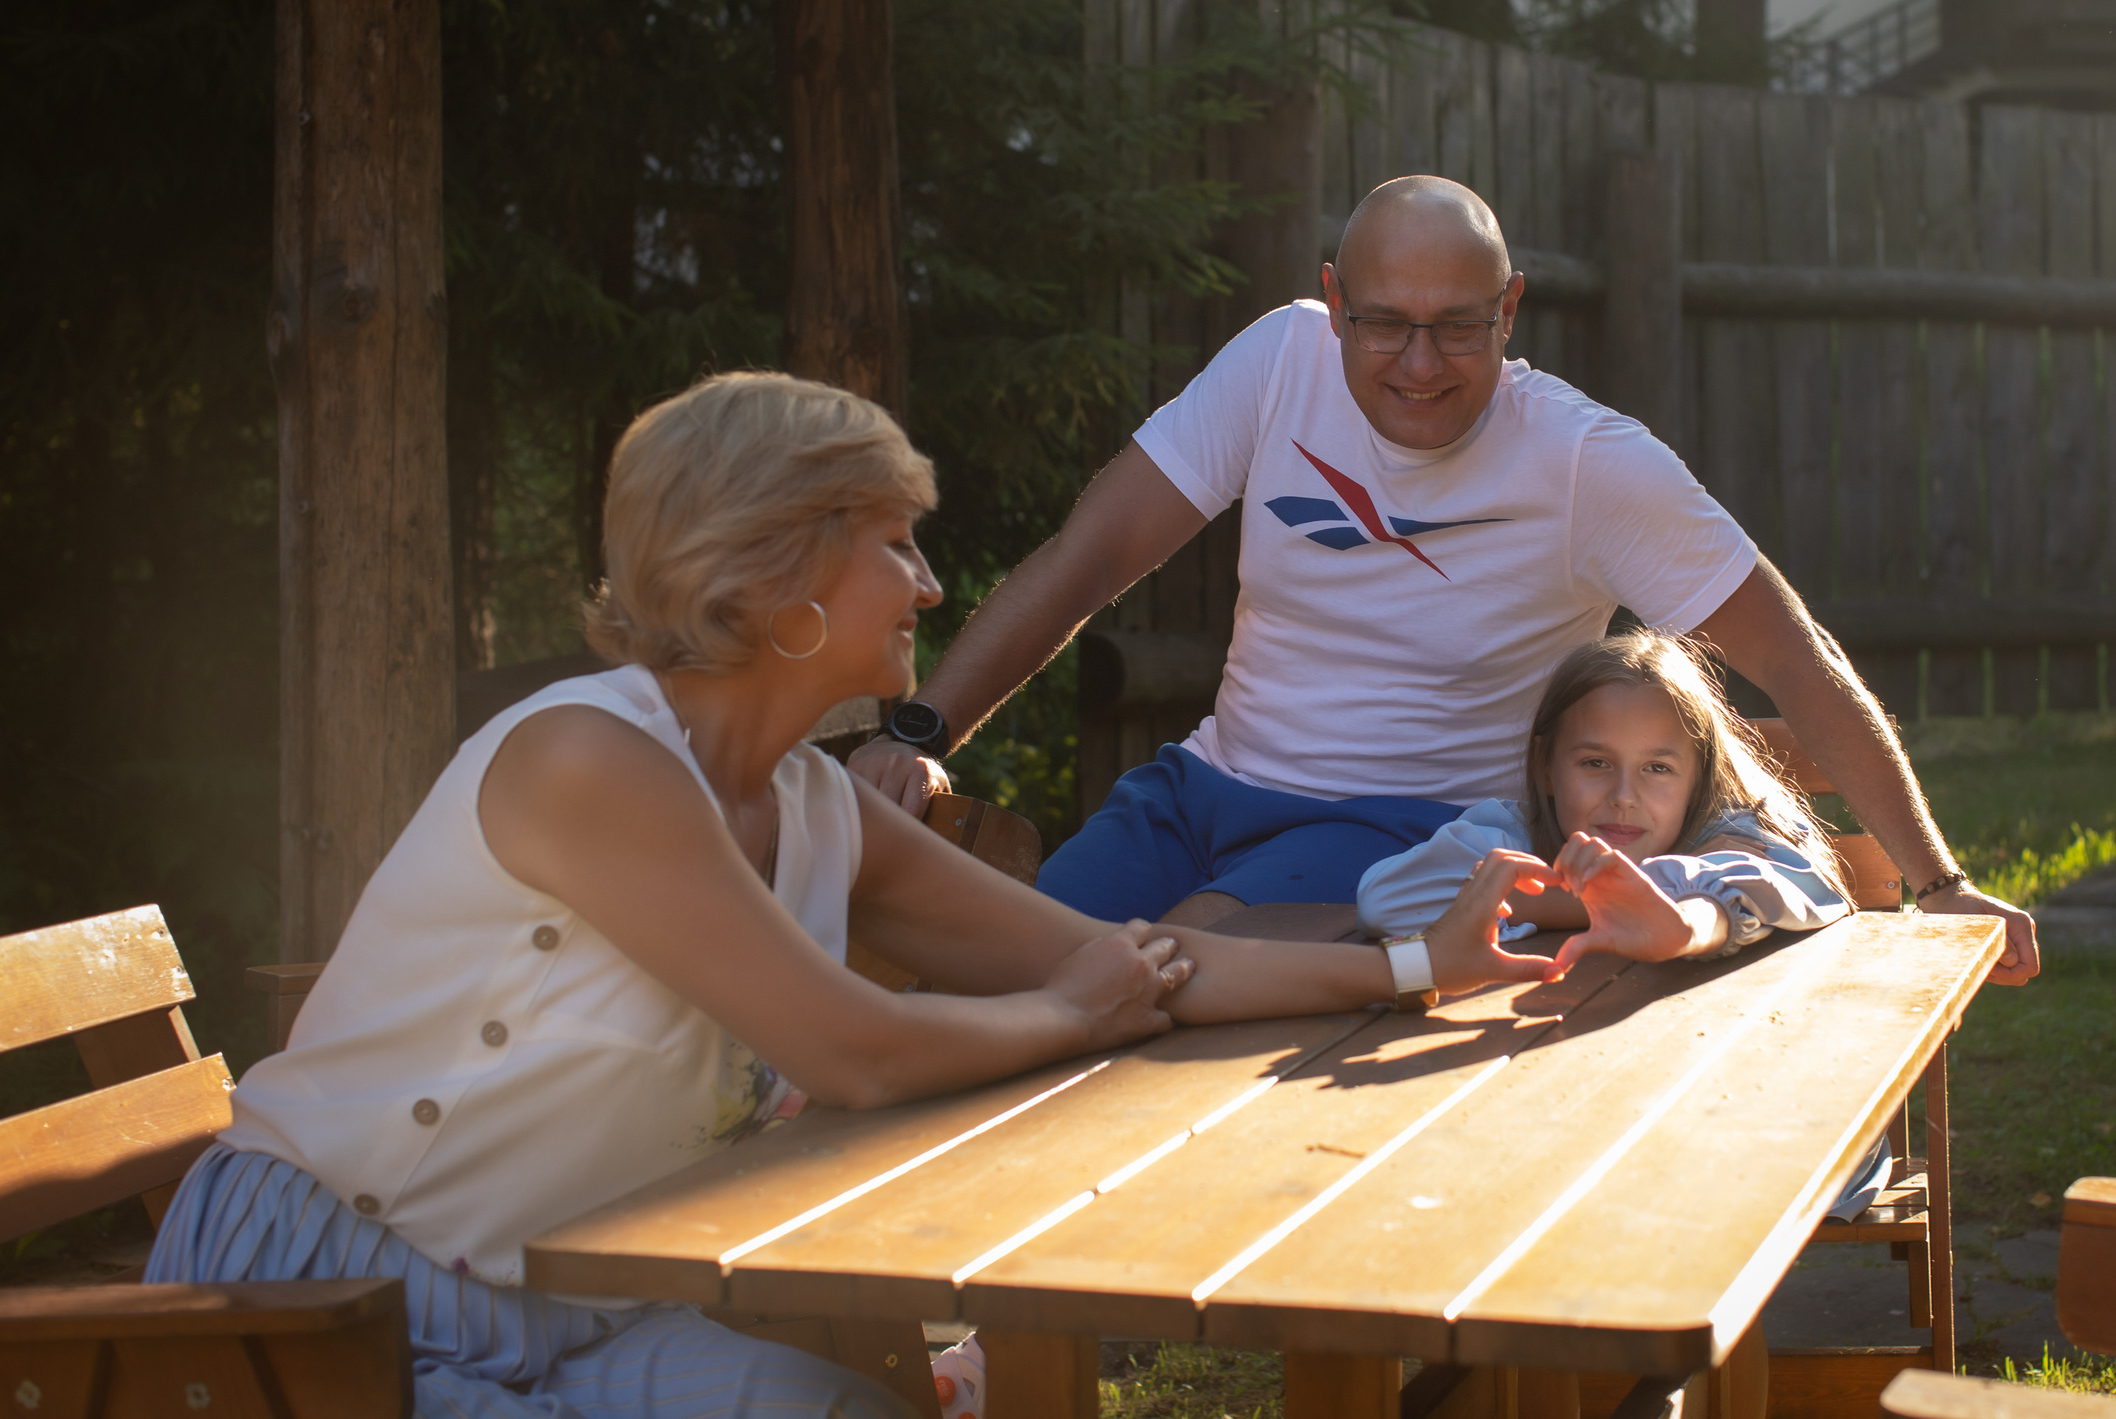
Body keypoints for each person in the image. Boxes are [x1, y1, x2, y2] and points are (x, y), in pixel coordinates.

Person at [142, 373, 1578, 1419]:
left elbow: (1119, 959)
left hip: (565, 1302)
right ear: (776, 571)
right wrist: (1070, 1011)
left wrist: (1415, 966)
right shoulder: (587, 759)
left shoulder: (816, 807)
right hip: (324, 1285)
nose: (931, 584)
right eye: (893, 541)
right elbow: (856, 1048)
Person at [852, 175, 2039, 985]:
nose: (1418, 365)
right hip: (1198, 790)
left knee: (1151, 978)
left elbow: (1789, 652)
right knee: (993, 966)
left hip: (1405, 837)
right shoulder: (1276, 363)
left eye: (1458, 328)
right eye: (1383, 325)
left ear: (1509, 310)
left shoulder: (1586, 462)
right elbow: (1089, 558)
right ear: (1331, 302)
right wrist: (920, 728)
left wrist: (1937, 882)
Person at [1354, 627, 1895, 1221]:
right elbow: (1388, 899)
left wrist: (1679, 921)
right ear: (1546, 766)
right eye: (1595, 763)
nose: (1623, 795)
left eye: (1657, 768)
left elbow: (1770, 887)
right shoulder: (1514, 834)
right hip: (1569, 1118)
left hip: (1749, 1125)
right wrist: (1586, 900)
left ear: (1698, 776)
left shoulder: (1731, 837)